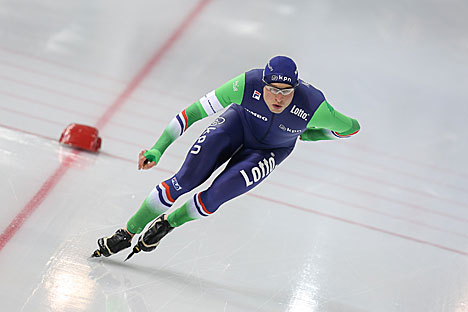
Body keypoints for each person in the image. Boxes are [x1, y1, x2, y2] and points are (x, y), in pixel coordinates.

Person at [92, 55, 360, 260]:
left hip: (269, 151)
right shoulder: (245, 84)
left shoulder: (314, 105)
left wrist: (312, 135)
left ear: (296, 88)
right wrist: (158, 148)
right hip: (236, 126)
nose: (278, 97)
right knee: (184, 180)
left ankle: (168, 224)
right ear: (262, 83)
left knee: (213, 198)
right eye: (272, 89)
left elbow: (351, 127)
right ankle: (125, 233)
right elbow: (193, 113)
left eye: (286, 91)